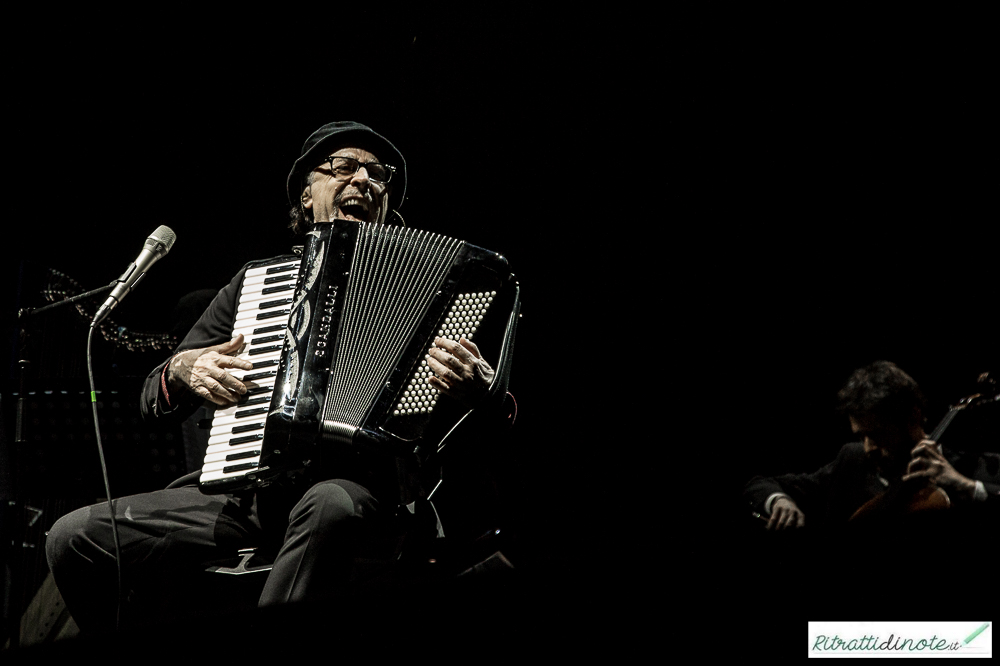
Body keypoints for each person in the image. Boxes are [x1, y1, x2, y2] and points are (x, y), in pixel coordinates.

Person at [44, 121, 514, 636]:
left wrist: (481, 390)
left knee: (330, 505)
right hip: (249, 495)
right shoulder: (257, 283)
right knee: (74, 536)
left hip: (368, 493)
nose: (363, 180)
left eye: (377, 174)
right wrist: (183, 369)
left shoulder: (439, 289)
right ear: (306, 198)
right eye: (342, 167)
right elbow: (155, 391)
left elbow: (490, 429)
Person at [744, 361, 999, 532]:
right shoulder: (852, 461)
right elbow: (761, 483)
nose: (868, 448)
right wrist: (780, 501)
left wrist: (966, 486)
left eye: (877, 435)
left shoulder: (978, 468)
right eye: (861, 436)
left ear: (912, 416)